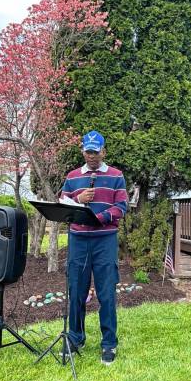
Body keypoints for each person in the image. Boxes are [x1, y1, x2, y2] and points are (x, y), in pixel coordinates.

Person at [60, 130, 128, 365]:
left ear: (103, 151)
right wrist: (79, 200)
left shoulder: (116, 176)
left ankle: (109, 343)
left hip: (104, 240)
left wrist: (101, 216)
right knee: (76, 291)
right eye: (88, 152)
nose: (92, 156)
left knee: (106, 293)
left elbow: (121, 206)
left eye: (96, 152)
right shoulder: (72, 176)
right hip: (78, 240)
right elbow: (63, 204)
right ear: (82, 151)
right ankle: (76, 337)